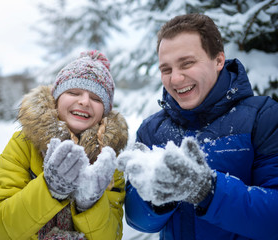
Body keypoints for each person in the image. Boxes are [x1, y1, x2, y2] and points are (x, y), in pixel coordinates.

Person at [117, 13, 278, 239]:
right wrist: (155, 194)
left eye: (187, 63)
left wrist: (207, 191)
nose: (175, 79)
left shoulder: (263, 116)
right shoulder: (152, 129)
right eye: (166, 69)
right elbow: (137, 220)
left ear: (219, 61)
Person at [0, 50, 128, 240]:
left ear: (105, 110)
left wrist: (90, 204)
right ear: (56, 98)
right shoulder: (24, 145)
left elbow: (112, 236)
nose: (84, 101)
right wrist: (50, 188)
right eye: (73, 92)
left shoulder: (109, 159)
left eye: (96, 98)